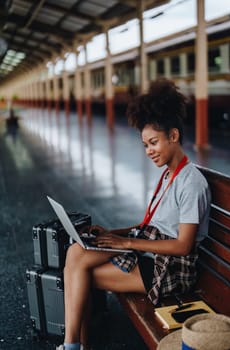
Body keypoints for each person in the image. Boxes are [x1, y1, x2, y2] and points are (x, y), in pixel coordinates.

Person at [56, 78, 211, 350]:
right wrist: (112, 234)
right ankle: (74, 346)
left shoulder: (192, 182)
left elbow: (183, 245)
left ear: (173, 136)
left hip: (171, 269)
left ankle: (74, 346)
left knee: (78, 273)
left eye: (153, 143)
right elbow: (152, 224)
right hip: (151, 254)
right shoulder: (168, 176)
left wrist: (126, 243)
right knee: (74, 254)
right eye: (145, 145)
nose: (149, 151)